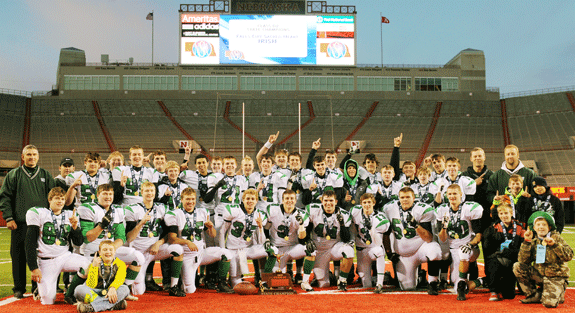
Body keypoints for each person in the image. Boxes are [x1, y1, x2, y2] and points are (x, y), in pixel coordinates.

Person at [0, 144, 56, 298]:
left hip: (41, 225)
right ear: (23, 157)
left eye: (34, 154)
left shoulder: (45, 174)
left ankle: (37, 287)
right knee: (18, 255)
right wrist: (9, 217)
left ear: (38, 157)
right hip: (19, 223)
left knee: (40, 257)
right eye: (28, 154)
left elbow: (53, 197)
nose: (32, 157)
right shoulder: (14, 174)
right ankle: (19, 288)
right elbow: (5, 197)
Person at [25, 187, 89, 305]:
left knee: (88, 266)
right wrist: (34, 268)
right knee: (48, 301)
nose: (60, 201)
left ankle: (69, 294)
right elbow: (30, 242)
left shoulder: (71, 215)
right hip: (46, 261)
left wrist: (75, 228)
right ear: (50, 200)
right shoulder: (39, 213)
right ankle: (40, 291)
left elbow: (78, 242)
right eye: (57, 198)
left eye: (62, 199)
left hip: (64, 257)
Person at [165, 187, 234, 294]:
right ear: (181, 199)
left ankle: (222, 283)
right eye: (187, 199)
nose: (190, 202)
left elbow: (212, 235)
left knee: (226, 254)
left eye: (192, 199)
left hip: (201, 252)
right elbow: (171, 238)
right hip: (186, 255)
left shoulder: (202, 212)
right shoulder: (175, 214)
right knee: (189, 290)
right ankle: (181, 282)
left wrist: (211, 228)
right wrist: (187, 242)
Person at [124, 182, 184, 296]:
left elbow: (170, 233)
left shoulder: (162, 208)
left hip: (155, 249)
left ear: (155, 193)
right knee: (138, 292)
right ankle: (125, 283)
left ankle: (174, 286)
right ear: (141, 192)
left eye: (152, 191)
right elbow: (130, 238)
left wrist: (159, 243)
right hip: (139, 252)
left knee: (178, 250)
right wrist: (140, 224)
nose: (149, 193)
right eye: (146, 190)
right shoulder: (133, 209)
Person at [382, 187, 442, 293]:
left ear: (413, 198)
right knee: (408, 288)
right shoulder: (389, 209)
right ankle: (421, 277)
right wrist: (389, 252)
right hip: (403, 254)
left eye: (408, 197)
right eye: (402, 197)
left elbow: (428, 238)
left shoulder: (422, 209)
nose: (405, 200)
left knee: (435, 251)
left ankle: (433, 283)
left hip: (420, 249)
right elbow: (386, 234)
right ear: (398, 198)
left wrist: (416, 225)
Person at [219, 189, 278, 287]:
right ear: (243, 199)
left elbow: (261, 242)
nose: (250, 201)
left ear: (256, 201)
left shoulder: (260, 215)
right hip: (233, 249)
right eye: (248, 199)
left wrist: (260, 228)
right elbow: (222, 231)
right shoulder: (234, 211)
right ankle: (225, 280)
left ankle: (265, 278)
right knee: (236, 284)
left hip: (248, 249)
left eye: (252, 199)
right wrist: (223, 250)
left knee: (273, 250)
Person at [513, 211, 573, 308]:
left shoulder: (556, 238)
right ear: (534, 228)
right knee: (518, 266)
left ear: (549, 227)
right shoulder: (533, 240)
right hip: (539, 275)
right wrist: (526, 242)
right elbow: (523, 261)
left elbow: (569, 256)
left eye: (544, 224)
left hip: (555, 276)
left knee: (549, 303)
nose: (541, 227)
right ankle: (533, 294)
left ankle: (557, 292)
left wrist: (555, 245)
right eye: (538, 224)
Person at [435, 184, 483, 301]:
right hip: (453, 249)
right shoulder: (442, 210)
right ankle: (480, 280)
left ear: (461, 194)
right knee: (454, 282)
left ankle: (462, 283)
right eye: (450, 194)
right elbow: (442, 238)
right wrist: (444, 227)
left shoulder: (469, 208)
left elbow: (478, 234)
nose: (452, 196)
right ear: (446, 195)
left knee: (463, 251)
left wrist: (470, 244)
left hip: (470, 246)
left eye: (455, 193)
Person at [265, 190, 316, 291]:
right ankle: (264, 279)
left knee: (312, 251)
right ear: (282, 200)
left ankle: (305, 282)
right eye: (287, 198)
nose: (289, 201)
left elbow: (302, 237)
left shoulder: (301, 214)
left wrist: (301, 224)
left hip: (293, 248)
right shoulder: (273, 210)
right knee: (280, 284)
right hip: (277, 250)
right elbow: (266, 228)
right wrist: (267, 240)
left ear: (295, 200)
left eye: (292, 198)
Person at [306, 190, 354, 291]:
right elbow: (307, 229)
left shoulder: (344, 214)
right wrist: (308, 240)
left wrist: (342, 224)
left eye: (331, 200)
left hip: (334, 248)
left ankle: (342, 281)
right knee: (324, 284)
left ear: (336, 202)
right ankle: (329, 276)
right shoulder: (313, 211)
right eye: (326, 200)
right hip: (319, 251)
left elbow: (346, 239)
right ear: (322, 201)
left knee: (349, 251)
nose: (328, 203)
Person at [482, 204, 526, 301]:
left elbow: (524, 247)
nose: (504, 215)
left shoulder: (520, 227)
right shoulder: (494, 227)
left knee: (509, 295)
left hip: (513, 259)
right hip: (499, 259)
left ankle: (503, 285)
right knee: (492, 261)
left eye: (506, 213)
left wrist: (512, 252)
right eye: (501, 213)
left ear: (511, 213)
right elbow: (488, 249)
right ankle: (494, 291)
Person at [74, 240, 130, 312]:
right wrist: (94, 267)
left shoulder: (121, 264)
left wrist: (112, 288)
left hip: (111, 292)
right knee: (79, 290)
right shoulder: (94, 262)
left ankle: (91, 307)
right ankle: (113, 305)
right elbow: (91, 285)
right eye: (105, 250)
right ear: (100, 252)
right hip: (95, 292)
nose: (108, 252)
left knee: (125, 289)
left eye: (110, 250)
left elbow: (120, 279)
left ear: (115, 251)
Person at [349, 193, 389, 291]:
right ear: (361, 204)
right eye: (365, 202)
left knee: (380, 251)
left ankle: (379, 283)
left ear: (374, 203)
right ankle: (383, 277)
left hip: (373, 248)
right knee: (366, 284)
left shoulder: (380, 217)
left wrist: (372, 228)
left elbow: (382, 235)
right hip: (361, 251)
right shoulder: (355, 212)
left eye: (369, 202)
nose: (367, 205)